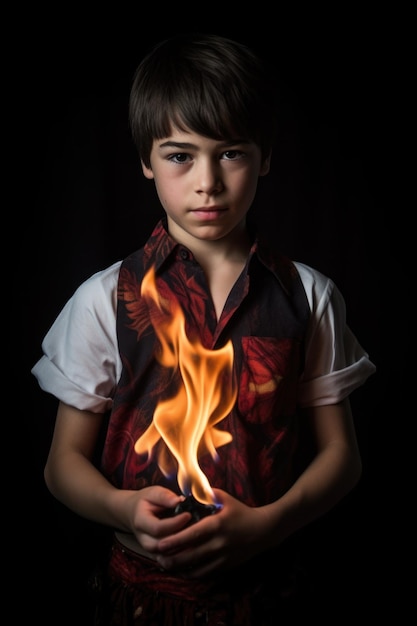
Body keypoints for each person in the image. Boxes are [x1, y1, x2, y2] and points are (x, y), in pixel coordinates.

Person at [32, 33, 376, 625]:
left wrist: (270, 524)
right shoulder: (103, 299)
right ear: (145, 160)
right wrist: (121, 509)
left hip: (272, 595)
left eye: (231, 154)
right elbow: (62, 463)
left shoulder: (308, 296)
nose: (208, 182)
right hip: (138, 600)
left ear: (265, 156)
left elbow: (342, 455)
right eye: (179, 155)